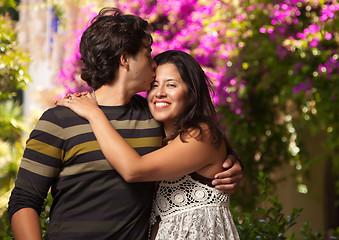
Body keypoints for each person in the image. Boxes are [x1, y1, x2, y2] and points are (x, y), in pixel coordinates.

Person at [7, 7, 242, 239]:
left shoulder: (155, 118)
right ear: (125, 59)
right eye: (148, 53)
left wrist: (230, 163)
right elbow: (24, 200)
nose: (153, 64)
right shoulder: (60, 120)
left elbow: (197, 146)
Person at [56, 50, 242, 239]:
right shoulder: (155, 137)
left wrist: (94, 113)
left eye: (171, 85)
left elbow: (133, 170)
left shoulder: (201, 134)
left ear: (191, 93)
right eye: (154, 85)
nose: (160, 93)